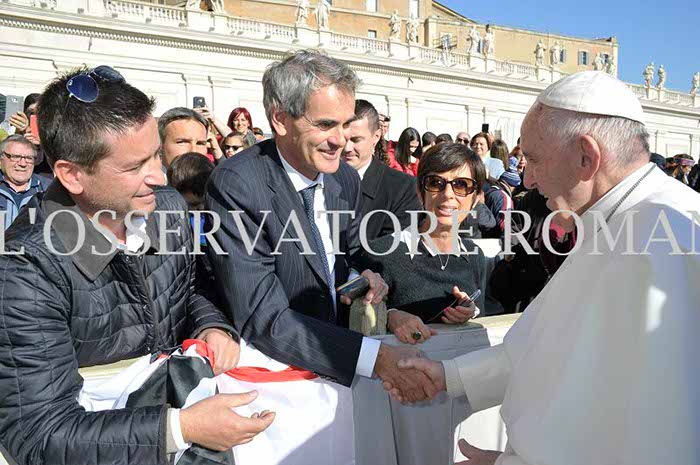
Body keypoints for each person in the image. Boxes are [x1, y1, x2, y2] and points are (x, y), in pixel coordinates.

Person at [392, 71, 700, 465]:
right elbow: (544, 344)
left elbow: (654, 438)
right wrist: (448, 376)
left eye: (534, 160)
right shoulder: (618, 222)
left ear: (586, 157)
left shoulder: (658, 241)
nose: (528, 178)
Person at [0, 66, 274, 465]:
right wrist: (178, 429)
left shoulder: (169, 208)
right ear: (72, 175)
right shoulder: (24, 271)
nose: (159, 177)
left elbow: (193, 286)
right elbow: (38, 434)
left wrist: (212, 326)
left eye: (156, 156)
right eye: (134, 167)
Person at [206, 50, 437, 404]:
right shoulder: (237, 185)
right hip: (276, 388)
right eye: (326, 125)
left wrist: (365, 278)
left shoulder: (343, 177)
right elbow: (263, 317)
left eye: (346, 125)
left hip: (341, 375)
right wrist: (374, 359)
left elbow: (349, 255)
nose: (341, 140)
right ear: (280, 119)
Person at [356, 143, 487, 344]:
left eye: (461, 185)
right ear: (420, 191)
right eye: (435, 182)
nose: (448, 194)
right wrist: (390, 316)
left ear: (476, 198)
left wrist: (471, 312)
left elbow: (482, 323)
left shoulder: (474, 255)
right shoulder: (382, 252)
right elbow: (355, 316)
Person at [343, 99, 421, 241]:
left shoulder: (403, 188)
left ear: (376, 137)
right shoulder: (319, 176)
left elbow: (391, 249)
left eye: (356, 140)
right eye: (343, 138)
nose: (347, 148)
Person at [0, 134, 50, 229]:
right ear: (1, 158)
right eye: (15, 157)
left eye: (29, 158)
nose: (23, 164)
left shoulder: (48, 189)